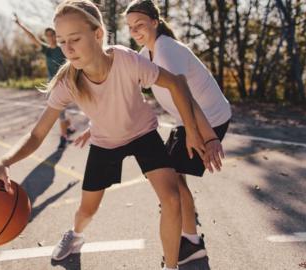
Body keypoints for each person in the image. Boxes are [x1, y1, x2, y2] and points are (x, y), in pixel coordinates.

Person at [0, 1, 220, 269]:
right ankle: (75, 236)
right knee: (88, 209)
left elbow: (177, 84)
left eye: (74, 39)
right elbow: (37, 134)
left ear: (98, 34)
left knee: (172, 198)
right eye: (62, 41)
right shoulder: (67, 82)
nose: (67, 48)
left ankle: (171, 265)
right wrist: (2, 163)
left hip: (143, 133)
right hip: (106, 142)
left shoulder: (127, 60)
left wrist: (193, 132)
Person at [76, 0, 231, 265]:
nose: (135, 31)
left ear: (155, 22)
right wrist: (97, 126)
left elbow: (189, 99)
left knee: (175, 183)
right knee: (175, 180)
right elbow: (124, 93)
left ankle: (191, 241)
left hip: (207, 120)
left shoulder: (165, 51)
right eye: (130, 27)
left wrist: (207, 137)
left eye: (141, 25)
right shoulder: (146, 52)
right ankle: (189, 234)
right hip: (189, 120)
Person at [14, 13, 74, 149]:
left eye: (52, 35)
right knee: (62, 112)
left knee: (61, 112)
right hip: (53, 85)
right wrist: (20, 25)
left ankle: (64, 137)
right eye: (47, 36)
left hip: (65, 84)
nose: (50, 38)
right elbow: (32, 37)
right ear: (46, 38)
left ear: (56, 35)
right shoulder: (46, 50)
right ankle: (68, 130)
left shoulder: (63, 48)